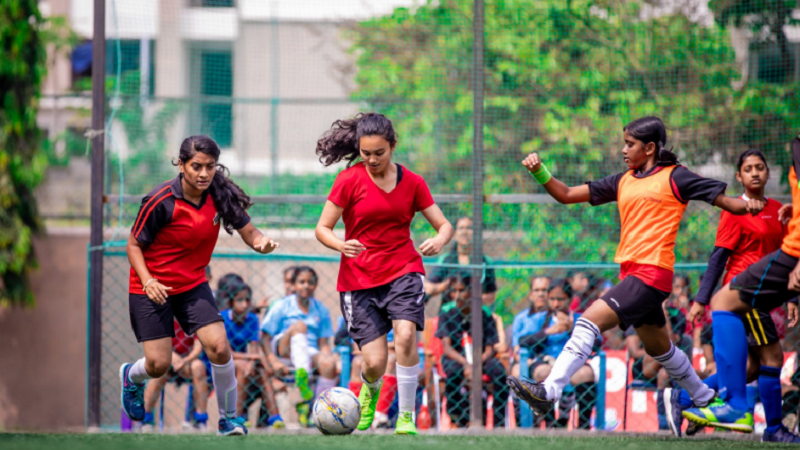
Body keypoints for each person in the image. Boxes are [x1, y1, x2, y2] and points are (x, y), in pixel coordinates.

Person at [506, 116, 762, 438]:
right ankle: (704, 398)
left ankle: (549, 392)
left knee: (587, 321)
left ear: (650, 148)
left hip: (651, 274)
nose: (624, 149)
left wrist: (747, 205)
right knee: (662, 350)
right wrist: (539, 171)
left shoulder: (675, 177)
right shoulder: (622, 180)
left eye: (630, 144)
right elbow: (567, 194)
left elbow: (723, 201)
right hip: (634, 275)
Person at [120, 135, 280, 437]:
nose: (204, 173)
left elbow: (249, 230)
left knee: (220, 347)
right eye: (196, 166)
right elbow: (133, 246)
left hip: (192, 284)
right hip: (151, 287)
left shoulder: (218, 195)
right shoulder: (160, 200)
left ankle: (229, 420)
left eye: (210, 166)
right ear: (181, 165)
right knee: (158, 365)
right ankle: (131, 375)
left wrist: (261, 243)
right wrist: (148, 280)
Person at [314, 112, 454, 435]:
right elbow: (322, 228)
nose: (372, 159)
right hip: (358, 279)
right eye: (366, 153)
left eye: (380, 153)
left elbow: (443, 225)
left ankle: (405, 416)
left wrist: (439, 239)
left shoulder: (414, 183)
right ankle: (369, 390)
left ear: (393, 146)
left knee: (405, 335)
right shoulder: (349, 180)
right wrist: (340, 244)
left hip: (403, 269)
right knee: (374, 362)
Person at [681, 147, 800, 442]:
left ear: (768, 172)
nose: (755, 172)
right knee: (771, 358)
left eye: (760, 167)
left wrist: (793, 298)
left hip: (768, 293)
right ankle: (772, 429)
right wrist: (701, 298)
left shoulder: (779, 209)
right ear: (739, 175)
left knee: (752, 366)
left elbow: (790, 255)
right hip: (745, 296)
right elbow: (717, 258)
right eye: (748, 169)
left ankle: (685, 400)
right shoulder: (735, 210)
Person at [260, 266, 337, 427]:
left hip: (308, 352)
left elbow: (323, 344)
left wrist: (329, 360)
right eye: (301, 282)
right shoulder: (282, 305)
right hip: (283, 349)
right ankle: (304, 376)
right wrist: (273, 360)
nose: (306, 286)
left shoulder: (321, 309)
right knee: (300, 326)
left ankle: (317, 411)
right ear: (293, 285)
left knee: (330, 364)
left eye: (310, 282)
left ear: (315, 285)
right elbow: (265, 337)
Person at [514, 280, 596, 429]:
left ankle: (582, 426)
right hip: (546, 361)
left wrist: (572, 329)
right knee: (543, 372)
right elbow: (523, 340)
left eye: (561, 299)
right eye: (552, 299)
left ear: (570, 300)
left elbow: (597, 343)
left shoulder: (580, 319)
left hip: (573, 363)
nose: (556, 304)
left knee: (586, 374)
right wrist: (549, 331)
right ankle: (552, 423)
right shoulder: (540, 318)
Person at [436, 273, 508, 428]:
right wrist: (466, 363)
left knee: (499, 372)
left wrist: (477, 363)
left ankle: (498, 422)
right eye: (454, 291)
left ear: (471, 291)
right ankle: (458, 417)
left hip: (482, 357)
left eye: (462, 290)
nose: (457, 295)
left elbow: (490, 347)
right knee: (453, 373)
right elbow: (447, 348)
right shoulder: (447, 311)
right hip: (456, 357)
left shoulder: (484, 313)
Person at [213, 277, 283, 428]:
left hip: (247, 362)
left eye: (248, 300)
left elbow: (254, 348)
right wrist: (252, 358)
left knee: (258, 370)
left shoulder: (252, 318)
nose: (245, 304)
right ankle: (235, 416)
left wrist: (253, 360)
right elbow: (227, 353)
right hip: (225, 361)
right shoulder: (222, 318)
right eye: (239, 300)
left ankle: (275, 418)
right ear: (231, 302)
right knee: (245, 367)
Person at [140, 320, 205, 432]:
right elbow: (158, 346)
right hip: (167, 360)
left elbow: (197, 348)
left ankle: (200, 421)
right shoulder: (164, 319)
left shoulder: (195, 319)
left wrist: (184, 360)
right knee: (159, 369)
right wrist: (172, 357)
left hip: (188, 363)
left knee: (198, 366)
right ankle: (145, 419)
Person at [426, 217, 498, 307]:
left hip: (476, 311)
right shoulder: (446, 260)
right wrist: (447, 285)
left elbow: (491, 295)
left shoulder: (485, 262)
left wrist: (470, 300)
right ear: (455, 234)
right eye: (461, 228)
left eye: (469, 228)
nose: (465, 232)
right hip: (449, 312)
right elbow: (429, 287)